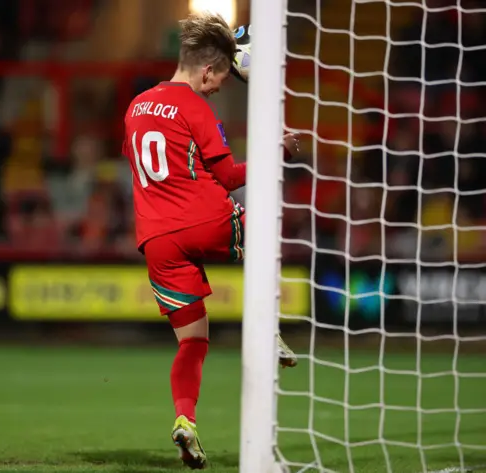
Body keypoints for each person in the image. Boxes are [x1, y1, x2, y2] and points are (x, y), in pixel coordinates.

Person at [122, 12, 299, 469]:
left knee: (193, 341)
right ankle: (271, 329)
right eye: (220, 76)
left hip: (157, 238)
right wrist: (274, 150)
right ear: (206, 69)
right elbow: (227, 176)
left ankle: (186, 420)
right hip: (204, 219)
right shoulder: (195, 106)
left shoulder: (136, 105)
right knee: (265, 230)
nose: (220, 86)